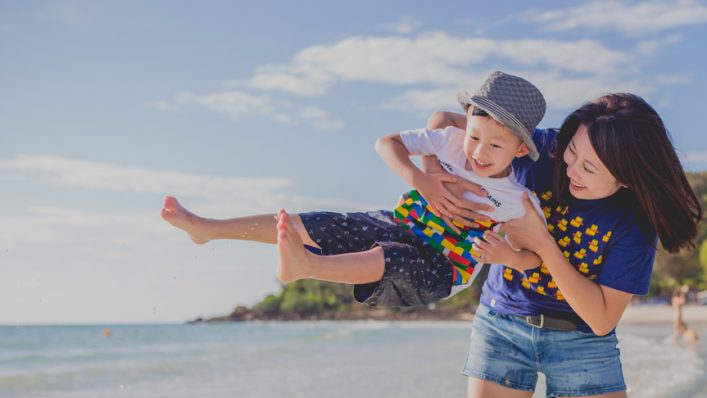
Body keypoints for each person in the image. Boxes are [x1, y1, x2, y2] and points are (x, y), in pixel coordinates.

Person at [424, 93, 702, 398]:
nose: (571, 170)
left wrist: (543, 244)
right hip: (501, 324)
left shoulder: (633, 226)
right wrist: (428, 175)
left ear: (627, 174)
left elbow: (600, 319)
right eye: (571, 154)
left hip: (581, 341)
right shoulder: (544, 149)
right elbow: (446, 121)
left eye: (589, 168)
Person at [163, 71, 546, 307]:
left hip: (440, 269)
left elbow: (534, 257)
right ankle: (208, 228)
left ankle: (307, 265)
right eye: (474, 136)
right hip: (398, 224)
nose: (478, 152)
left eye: (495, 146)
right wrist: (421, 180)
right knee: (327, 223)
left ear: (521, 149)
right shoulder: (447, 141)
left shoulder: (516, 200)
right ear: (466, 123)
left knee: (396, 257)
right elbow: (386, 143)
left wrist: (506, 256)